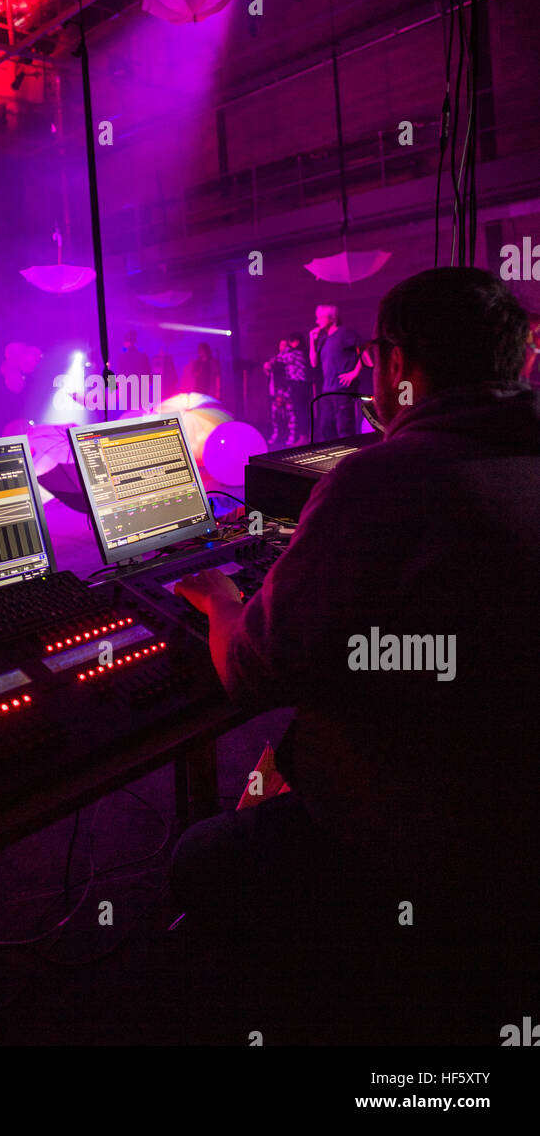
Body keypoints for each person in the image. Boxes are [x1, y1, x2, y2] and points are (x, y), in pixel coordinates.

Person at [172, 268, 539, 971]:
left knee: (201, 858)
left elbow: (250, 672)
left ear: (395, 366)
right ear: (521, 361)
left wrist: (221, 598)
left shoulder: (381, 480)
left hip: (443, 851)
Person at [308, 304, 363, 440]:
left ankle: (349, 458)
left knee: (344, 429)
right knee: (327, 429)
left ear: (332, 318)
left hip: (342, 390)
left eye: (320, 317)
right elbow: (314, 363)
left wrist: (354, 373)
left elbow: (364, 350)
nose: (317, 321)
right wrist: (312, 341)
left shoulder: (344, 334)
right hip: (327, 390)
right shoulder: (322, 339)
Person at [263, 333, 310, 448]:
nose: (287, 346)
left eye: (289, 343)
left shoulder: (295, 353)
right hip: (293, 386)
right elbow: (270, 369)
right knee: (297, 411)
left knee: (299, 411)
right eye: (283, 344)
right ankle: (302, 437)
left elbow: (277, 359)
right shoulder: (291, 354)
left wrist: (269, 363)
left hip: (298, 385)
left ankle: (303, 438)